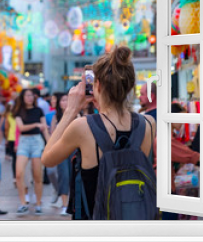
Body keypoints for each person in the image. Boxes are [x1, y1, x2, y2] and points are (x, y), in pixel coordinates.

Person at [42, 46, 156, 220]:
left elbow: (47, 159)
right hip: (135, 221)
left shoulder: (83, 127)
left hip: (95, 225)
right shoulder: (148, 123)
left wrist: (71, 110)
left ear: (98, 86)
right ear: (129, 86)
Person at [157, 103, 203, 220]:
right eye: (181, 118)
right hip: (165, 187)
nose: (183, 122)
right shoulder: (166, 139)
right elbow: (189, 156)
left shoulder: (166, 136)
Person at [14, 89, 50, 215]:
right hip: (24, 142)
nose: (30, 97)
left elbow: (44, 128)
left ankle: (38, 203)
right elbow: (21, 128)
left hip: (36, 142)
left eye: (31, 95)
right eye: (27, 95)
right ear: (22, 97)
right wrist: (36, 124)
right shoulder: (18, 111)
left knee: (37, 176)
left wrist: (49, 143)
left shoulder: (39, 110)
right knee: (18, 174)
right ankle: (23, 203)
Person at [49, 92, 72, 216]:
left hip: (74, 149)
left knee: (74, 176)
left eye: (67, 100)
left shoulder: (76, 115)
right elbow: (53, 135)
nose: (65, 102)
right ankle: (65, 204)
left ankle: (73, 203)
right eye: (63, 100)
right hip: (61, 149)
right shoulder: (56, 117)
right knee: (64, 176)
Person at [4, 102, 17, 184]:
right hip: (13, 138)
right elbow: (6, 128)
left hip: (12, 138)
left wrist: (7, 138)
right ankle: (16, 177)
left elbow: (6, 128)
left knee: (15, 159)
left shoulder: (9, 115)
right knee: (16, 159)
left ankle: (15, 177)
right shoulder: (10, 115)